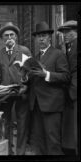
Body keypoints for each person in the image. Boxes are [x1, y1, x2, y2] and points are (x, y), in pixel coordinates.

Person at [0, 22, 31, 155]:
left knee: (22, 123)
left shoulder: (24, 50)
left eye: (12, 35)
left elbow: (30, 71)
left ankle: (21, 151)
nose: (9, 38)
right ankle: (8, 151)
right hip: (6, 94)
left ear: (16, 37)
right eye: (6, 35)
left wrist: (25, 86)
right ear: (2, 38)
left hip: (21, 92)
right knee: (5, 122)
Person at [28, 21, 70, 155]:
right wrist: (24, 76)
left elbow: (65, 77)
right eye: (38, 36)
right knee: (38, 141)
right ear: (35, 38)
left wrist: (46, 74)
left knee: (53, 142)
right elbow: (33, 80)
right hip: (36, 105)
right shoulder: (35, 57)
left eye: (44, 35)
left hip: (51, 105)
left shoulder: (58, 54)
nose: (41, 38)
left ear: (49, 37)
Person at [57, 20, 78, 155]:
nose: (65, 35)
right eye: (63, 32)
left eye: (68, 32)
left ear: (76, 32)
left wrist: (72, 91)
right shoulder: (68, 47)